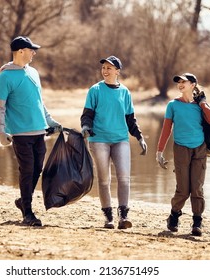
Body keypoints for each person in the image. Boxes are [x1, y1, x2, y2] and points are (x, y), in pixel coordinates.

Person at [0, 36, 62, 227]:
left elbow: (40, 103)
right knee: (27, 170)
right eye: (31, 50)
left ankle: (23, 201)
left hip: (39, 132)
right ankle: (28, 212)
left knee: (37, 169)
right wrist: (1, 131)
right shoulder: (5, 77)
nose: (34, 53)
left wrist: (51, 121)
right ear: (21, 51)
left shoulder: (34, 73)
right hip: (20, 133)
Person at [80, 55, 147, 229]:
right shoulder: (95, 90)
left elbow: (130, 119)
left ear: (118, 71)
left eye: (109, 68)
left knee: (124, 178)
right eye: (103, 68)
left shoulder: (125, 92)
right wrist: (86, 128)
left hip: (120, 140)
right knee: (104, 180)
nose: (105, 71)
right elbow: (87, 115)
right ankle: (108, 217)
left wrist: (139, 137)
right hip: (99, 140)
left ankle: (123, 217)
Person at [156, 73, 210, 236]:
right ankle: (174, 215)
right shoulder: (173, 105)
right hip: (181, 149)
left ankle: (197, 222)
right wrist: (159, 151)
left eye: (184, 81)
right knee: (183, 189)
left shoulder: (200, 105)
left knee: (197, 188)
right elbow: (166, 129)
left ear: (193, 85)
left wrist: (203, 104)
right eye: (179, 82)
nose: (181, 84)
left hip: (199, 149)